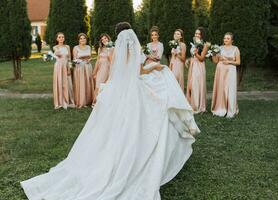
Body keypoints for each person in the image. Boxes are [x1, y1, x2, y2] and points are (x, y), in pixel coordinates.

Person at [21, 22, 199, 200]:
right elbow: (139, 71)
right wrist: (156, 67)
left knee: (111, 127)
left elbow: (120, 72)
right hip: (134, 90)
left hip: (118, 90)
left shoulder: (118, 52)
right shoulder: (132, 48)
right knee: (149, 115)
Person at [211, 32, 241, 118]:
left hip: (231, 70)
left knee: (229, 88)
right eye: (224, 38)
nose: (226, 40)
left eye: (228, 38)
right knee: (221, 88)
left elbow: (238, 62)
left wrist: (229, 62)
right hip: (220, 70)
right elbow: (215, 61)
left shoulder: (235, 49)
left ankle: (230, 109)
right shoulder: (219, 48)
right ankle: (220, 107)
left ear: (232, 40)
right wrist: (213, 54)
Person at [186, 27, 209, 113]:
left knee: (196, 84)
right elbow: (193, 56)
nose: (197, 35)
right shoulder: (194, 44)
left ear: (202, 35)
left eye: (199, 34)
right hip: (193, 65)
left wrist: (196, 53)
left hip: (199, 66)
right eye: (196, 33)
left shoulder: (205, 45)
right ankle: (192, 103)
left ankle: (197, 105)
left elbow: (202, 58)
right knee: (191, 84)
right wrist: (189, 59)